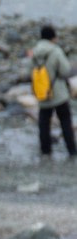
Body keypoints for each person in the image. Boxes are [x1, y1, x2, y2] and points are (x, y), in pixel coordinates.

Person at [31, 25, 76, 159]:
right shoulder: (55, 51)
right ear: (52, 37)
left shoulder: (34, 52)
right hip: (58, 93)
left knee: (44, 123)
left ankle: (46, 151)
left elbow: (30, 71)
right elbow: (65, 70)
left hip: (42, 93)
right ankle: (71, 150)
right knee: (65, 121)